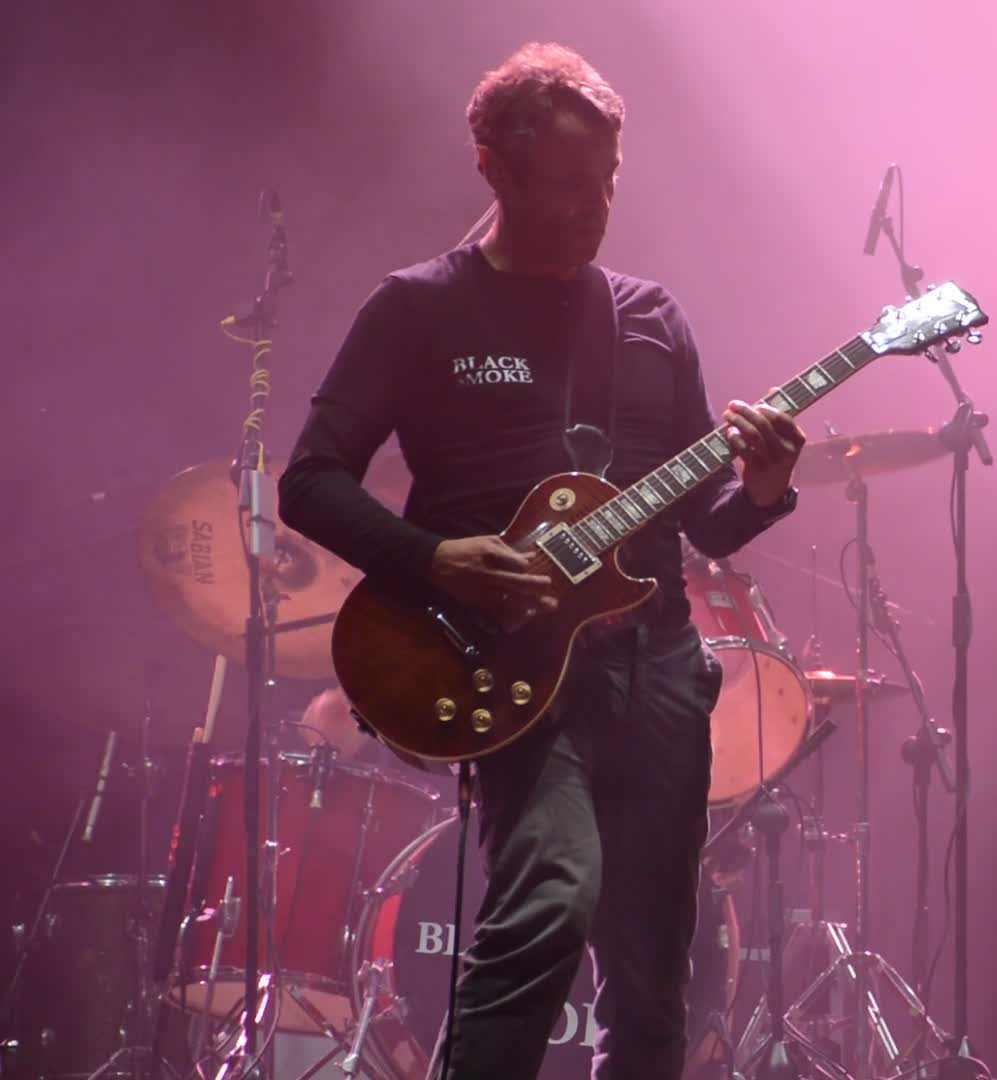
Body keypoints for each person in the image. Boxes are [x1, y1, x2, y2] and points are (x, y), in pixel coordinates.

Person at [279, 42, 805, 1079]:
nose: (592, 208)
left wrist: (764, 489)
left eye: (606, 181)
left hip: (657, 668)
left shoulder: (650, 319)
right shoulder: (419, 308)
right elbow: (310, 481)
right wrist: (436, 560)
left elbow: (704, 524)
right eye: (566, 185)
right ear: (494, 169)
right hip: (511, 670)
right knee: (550, 901)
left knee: (654, 980)